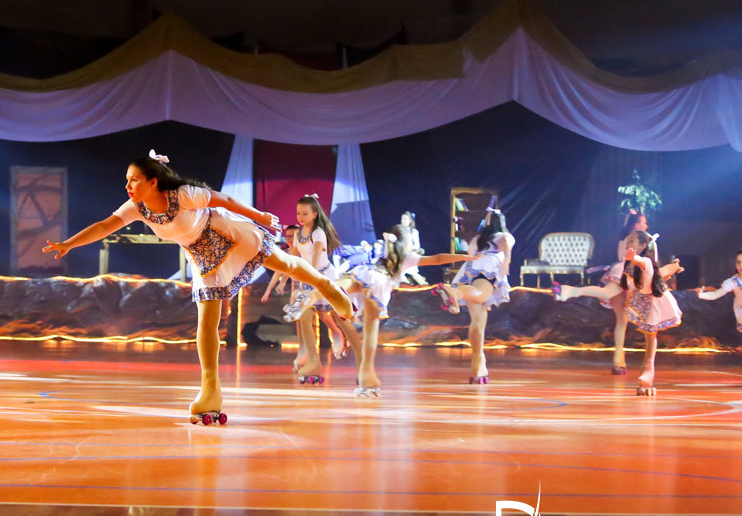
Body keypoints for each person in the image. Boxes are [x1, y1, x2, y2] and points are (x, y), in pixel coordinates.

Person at [42, 151, 354, 424]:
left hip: (226, 232)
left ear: (153, 181)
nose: (128, 186)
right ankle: (210, 390)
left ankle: (326, 285)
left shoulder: (183, 195)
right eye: (127, 180)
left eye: (134, 180)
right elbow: (105, 226)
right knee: (207, 321)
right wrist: (69, 244)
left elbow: (225, 200)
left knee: (283, 263)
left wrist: (258, 215)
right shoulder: (137, 207)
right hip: (202, 256)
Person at [300, 224, 474, 397]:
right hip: (380, 285)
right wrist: (464, 257)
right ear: (407, 243)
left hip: (364, 273)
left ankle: (315, 294)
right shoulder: (407, 256)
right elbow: (437, 259)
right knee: (371, 330)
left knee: (348, 284)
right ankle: (367, 375)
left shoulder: (379, 247)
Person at [554, 210, 650, 374]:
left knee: (622, 319)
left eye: (645, 223)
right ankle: (569, 291)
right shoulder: (628, 238)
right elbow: (622, 257)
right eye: (642, 222)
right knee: (607, 293)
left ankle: (619, 361)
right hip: (624, 271)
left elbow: (652, 263)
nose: (645, 225)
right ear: (634, 224)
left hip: (637, 278)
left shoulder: (648, 241)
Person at [435, 206, 514, 384]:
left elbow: (471, 252)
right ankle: (454, 292)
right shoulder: (504, 235)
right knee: (479, 296)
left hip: (471, 267)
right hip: (489, 266)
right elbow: (506, 243)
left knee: (477, 319)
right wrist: (506, 262)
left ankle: (478, 365)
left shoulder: (478, 238)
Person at [285, 194, 349, 381]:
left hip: (322, 275)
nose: (300, 217)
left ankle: (336, 331)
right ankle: (305, 352)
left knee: (323, 314)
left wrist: (311, 277)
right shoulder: (298, 234)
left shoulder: (318, 232)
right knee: (304, 316)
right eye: (298, 213)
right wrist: (286, 278)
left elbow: (314, 258)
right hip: (306, 276)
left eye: (305, 214)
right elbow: (294, 257)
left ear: (314, 214)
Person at [619, 231, 682, 396]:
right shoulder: (629, 264)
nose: (627, 243)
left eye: (632, 240)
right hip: (643, 299)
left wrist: (633, 258)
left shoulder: (644, 260)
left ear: (642, 246)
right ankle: (647, 371)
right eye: (627, 240)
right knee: (649, 336)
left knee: (650, 335)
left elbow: (640, 262)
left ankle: (648, 369)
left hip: (654, 301)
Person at [697, 250, 742, 335]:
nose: (741, 266)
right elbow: (715, 294)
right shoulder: (733, 282)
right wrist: (702, 295)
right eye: (738, 262)